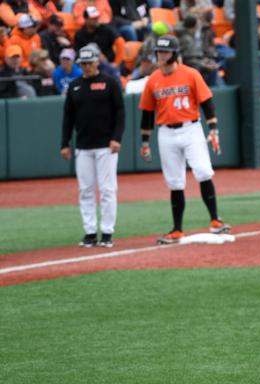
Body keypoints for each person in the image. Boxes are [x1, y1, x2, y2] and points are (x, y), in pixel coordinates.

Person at [138, 34, 231, 244]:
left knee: (203, 171)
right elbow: (146, 113)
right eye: (159, 52)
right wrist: (145, 141)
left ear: (175, 53)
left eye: (165, 52)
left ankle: (215, 221)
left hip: (191, 128)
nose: (162, 55)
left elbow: (207, 102)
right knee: (174, 181)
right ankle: (177, 229)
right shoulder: (153, 79)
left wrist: (214, 128)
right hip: (166, 132)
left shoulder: (190, 74)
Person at [61, 44, 125, 248]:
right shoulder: (74, 86)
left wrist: (117, 138)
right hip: (83, 146)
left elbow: (120, 113)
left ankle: (107, 232)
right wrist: (65, 143)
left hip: (106, 145)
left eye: (90, 63)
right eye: (83, 64)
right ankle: (90, 232)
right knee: (85, 190)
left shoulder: (110, 83)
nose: (87, 67)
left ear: (97, 62)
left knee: (107, 189)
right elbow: (68, 117)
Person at [73, 5, 124, 78]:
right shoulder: (79, 34)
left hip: (108, 64)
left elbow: (120, 41)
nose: (96, 20)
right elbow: (77, 53)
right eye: (93, 18)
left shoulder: (105, 29)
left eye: (97, 17)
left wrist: (116, 63)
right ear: (86, 19)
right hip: (87, 65)